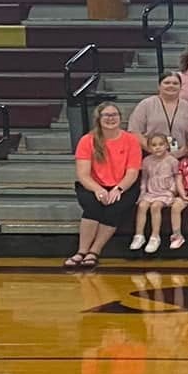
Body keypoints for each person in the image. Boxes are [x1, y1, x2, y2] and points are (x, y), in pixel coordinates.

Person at [64, 104, 141, 269]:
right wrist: (98, 189)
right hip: (93, 185)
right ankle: (81, 251)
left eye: (114, 115)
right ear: (98, 119)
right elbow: (83, 175)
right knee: (92, 207)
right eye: (106, 115)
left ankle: (94, 251)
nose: (111, 118)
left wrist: (118, 189)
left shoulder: (131, 140)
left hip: (123, 185)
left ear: (120, 117)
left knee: (114, 209)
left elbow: (132, 173)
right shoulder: (87, 141)